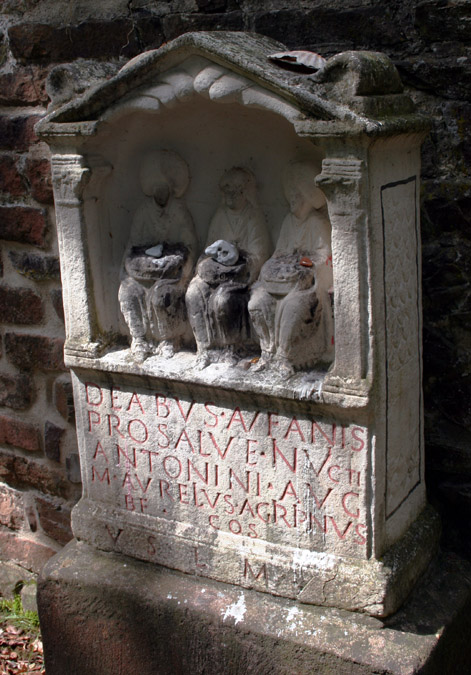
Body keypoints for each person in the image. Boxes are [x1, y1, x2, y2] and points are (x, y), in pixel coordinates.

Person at [248, 160, 334, 375]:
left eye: (298, 196)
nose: (292, 200)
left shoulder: (317, 223)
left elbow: (325, 257)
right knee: (257, 302)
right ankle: (267, 352)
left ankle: (285, 357)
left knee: (291, 306)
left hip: (306, 283)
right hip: (282, 279)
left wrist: (305, 264)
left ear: (307, 199)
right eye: (291, 195)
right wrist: (271, 268)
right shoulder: (288, 221)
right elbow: (279, 252)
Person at [185, 167, 271, 368]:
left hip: (240, 275)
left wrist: (239, 258)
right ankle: (205, 348)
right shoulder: (220, 216)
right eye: (227, 191)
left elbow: (260, 254)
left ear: (244, 192)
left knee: (223, 299)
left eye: (236, 191)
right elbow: (209, 249)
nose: (231, 196)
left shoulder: (253, 217)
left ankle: (232, 348)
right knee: (193, 293)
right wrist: (205, 265)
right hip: (217, 272)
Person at [118, 150, 198, 362]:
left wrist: (180, 269)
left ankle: (168, 339)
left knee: (162, 295)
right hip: (144, 270)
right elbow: (133, 245)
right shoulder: (143, 211)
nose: (160, 193)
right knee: (128, 292)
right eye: (157, 188)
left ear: (171, 189)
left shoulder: (179, 211)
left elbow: (189, 245)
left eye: (164, 188)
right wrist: (136, 265)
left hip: (172, 272)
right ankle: (139, 339)